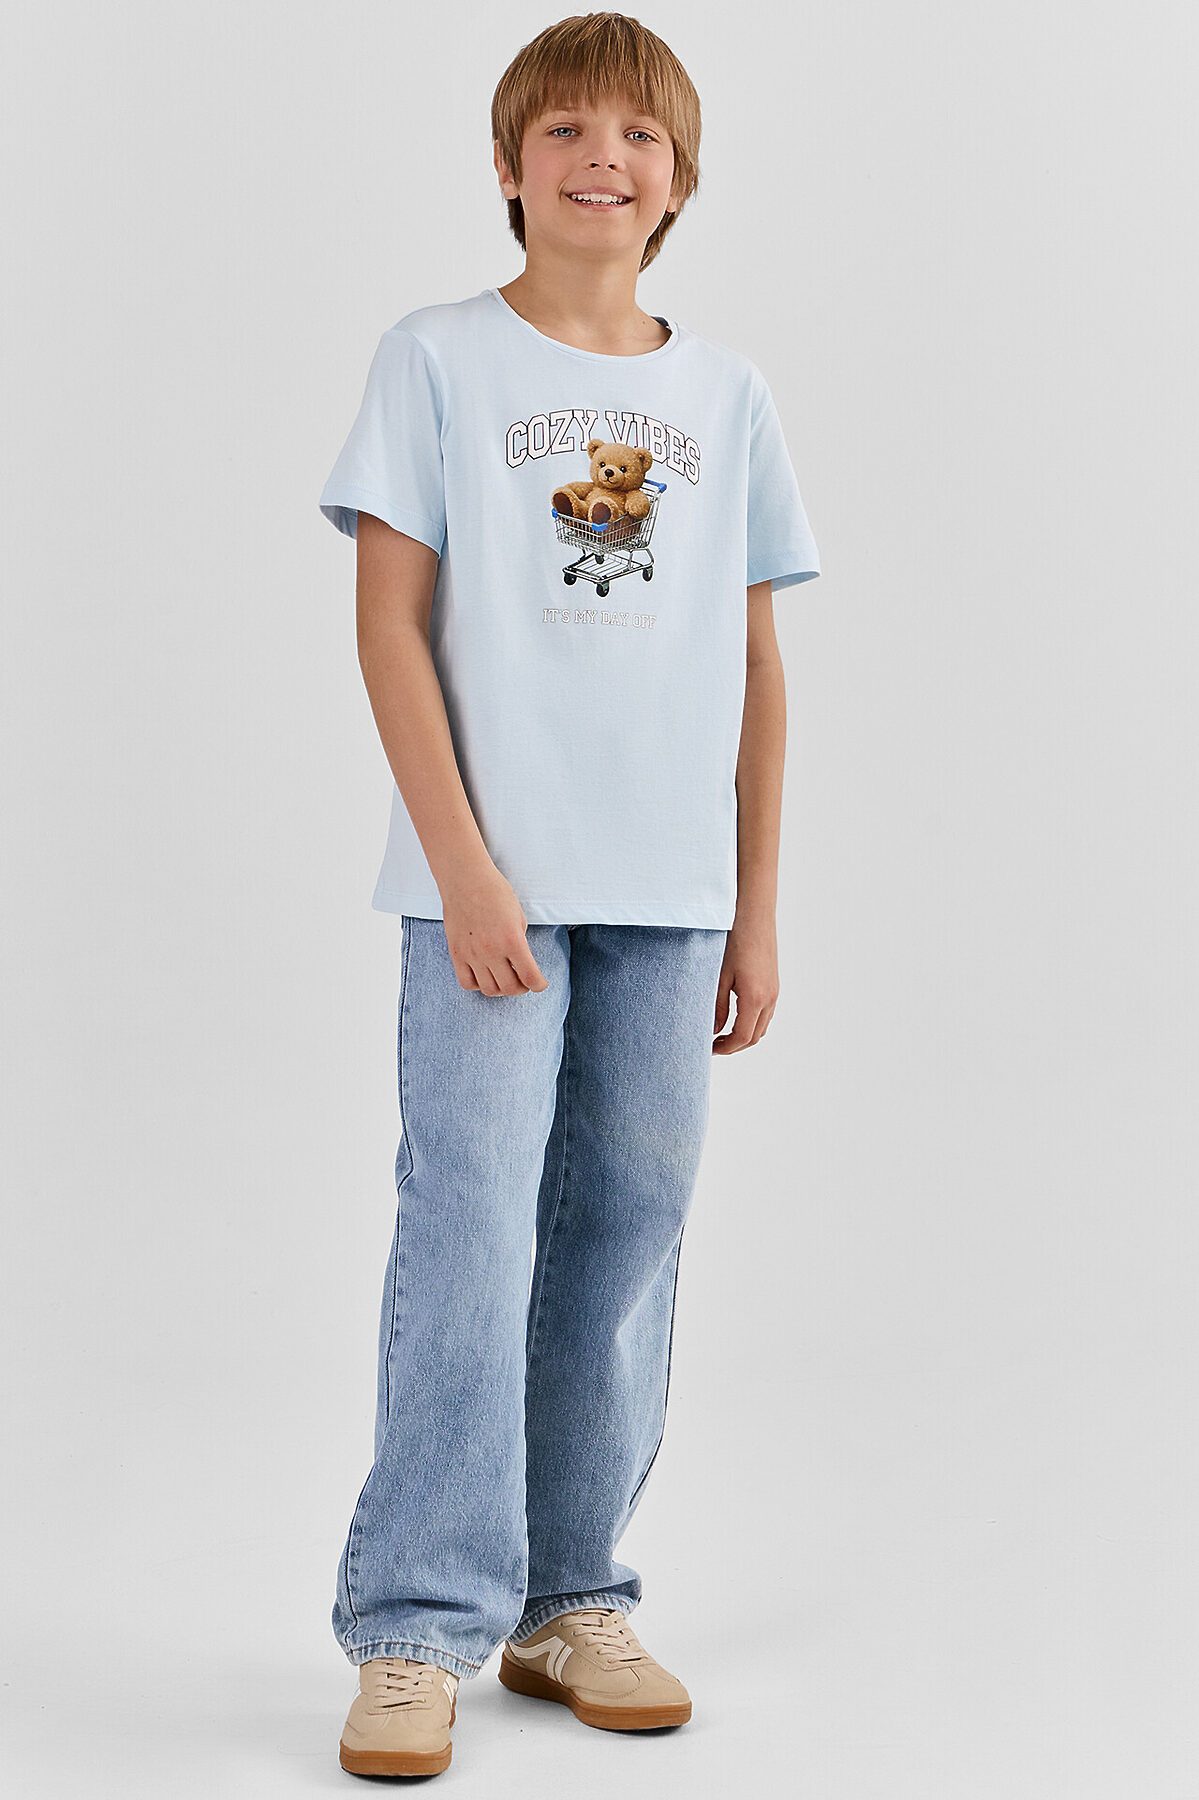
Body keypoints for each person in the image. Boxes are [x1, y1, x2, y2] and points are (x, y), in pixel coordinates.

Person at [317, 11, 822, 1779]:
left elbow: (754, 667)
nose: (604, 158)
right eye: (567, 131)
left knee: (623, 1237)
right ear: (510, 164)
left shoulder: (727, 395)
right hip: (491, 889)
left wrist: (756, 906)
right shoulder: (437, 360)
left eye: (638, 138)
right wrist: (464, 867)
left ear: (679, 184)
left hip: (670, 897)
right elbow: (389, 625)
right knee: (469, 1236)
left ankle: (568, 1596)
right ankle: (411, 1627)